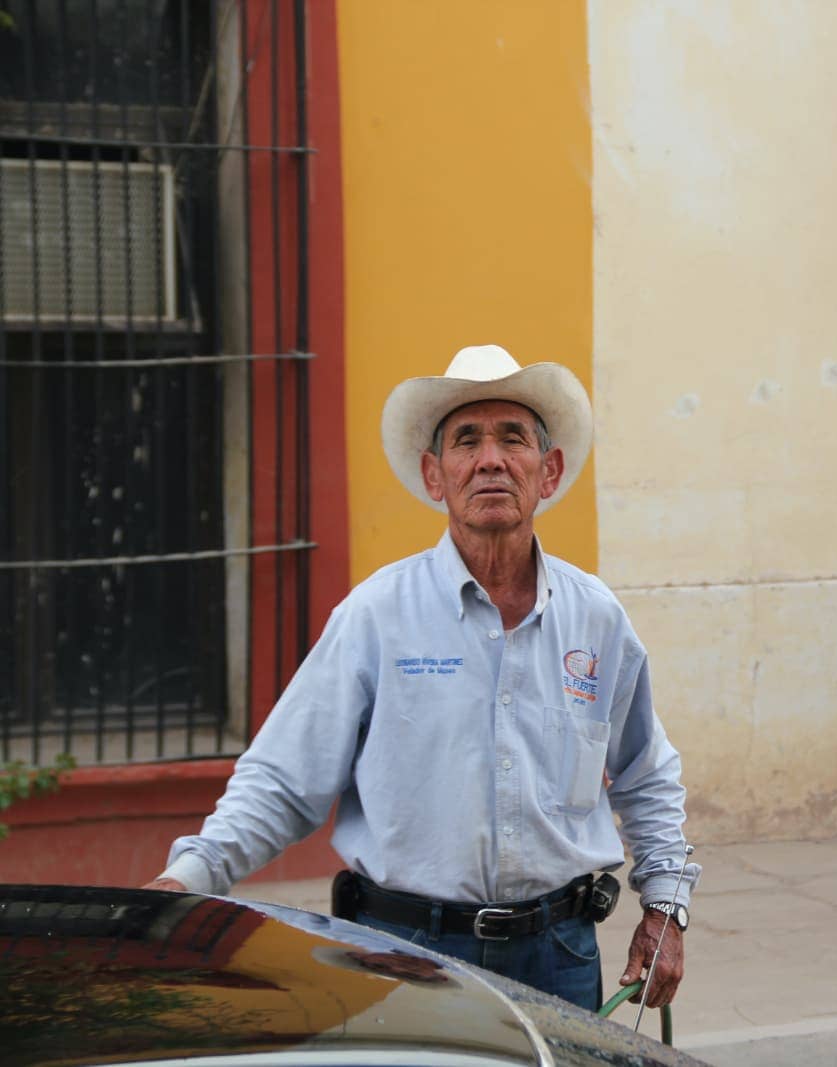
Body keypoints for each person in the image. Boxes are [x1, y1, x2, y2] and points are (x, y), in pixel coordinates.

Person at [143, 344, 699, 1011]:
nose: (491, 458)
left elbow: (645, 772)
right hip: (400, 955)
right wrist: (191, 874)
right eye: (467, 439)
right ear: (435, 475)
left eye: (512, 437)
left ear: (547, 471)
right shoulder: (378, 615)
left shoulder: (596, 619)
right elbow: (284, 780)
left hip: (560, 953)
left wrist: (666, 907)